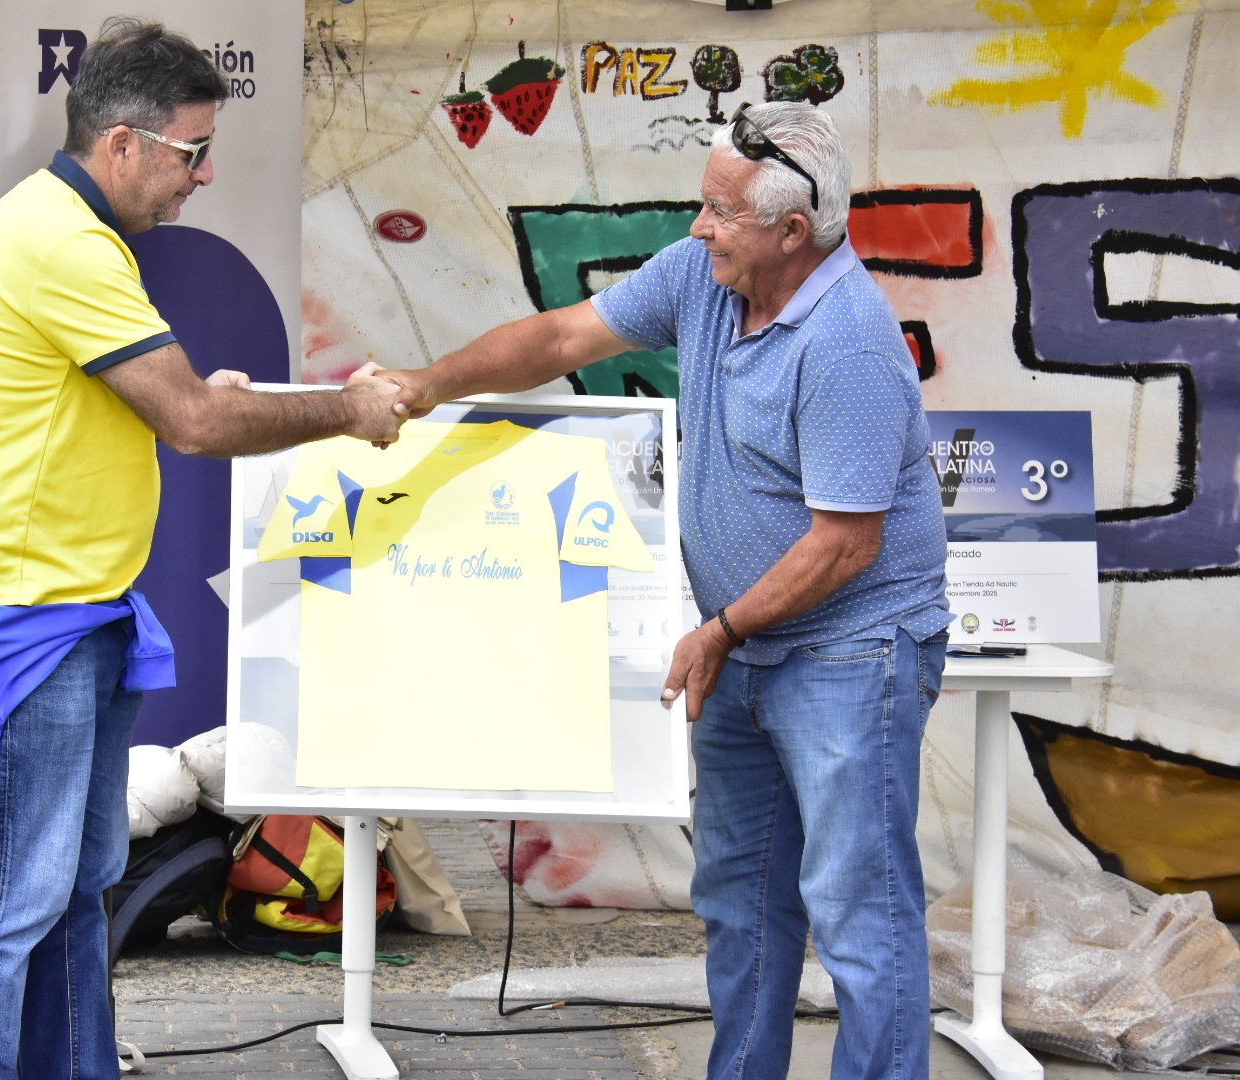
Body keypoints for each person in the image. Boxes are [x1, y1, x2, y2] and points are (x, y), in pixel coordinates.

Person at [0, 19, 403, 1080]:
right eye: (192, 153)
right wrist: (348, 411)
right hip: (19, 621)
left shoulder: (64, 230)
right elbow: (193, 423)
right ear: (122, 142)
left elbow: (134, 401)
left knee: (74, 893)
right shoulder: (65, 244)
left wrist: (203, 396)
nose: (203, 177)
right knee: (11, 908)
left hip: (62, 612)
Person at [383, 101, 951, 1079]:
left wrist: (719, 629)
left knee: (859, 909)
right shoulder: (705, 275)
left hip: (849, 653)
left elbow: (844, 547)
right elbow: (562, 336)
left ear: (792, 231)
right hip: (744, 645)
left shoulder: (849, 343)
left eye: (720, 211)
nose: (698, 226)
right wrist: (427, 385)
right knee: (741, 899)